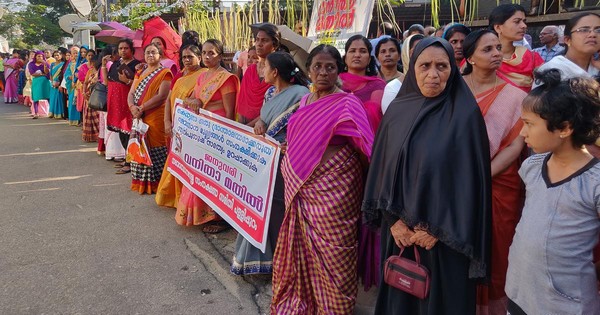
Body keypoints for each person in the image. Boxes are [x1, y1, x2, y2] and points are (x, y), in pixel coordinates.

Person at [362, 37, 492, 315]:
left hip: (446, 238)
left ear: (453, 69)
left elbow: (470, 185)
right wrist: (394, 222)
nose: (433, 74)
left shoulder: (465, 115)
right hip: (400, 234)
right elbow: (381, 171)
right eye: (425, 66)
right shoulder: (397, 111)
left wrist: (436, 230)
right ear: (412, 69)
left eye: (442, 66)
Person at [270, 44, 374, 314]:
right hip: (301, 191)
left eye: (330, 67)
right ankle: (306, 303)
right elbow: (299, 138)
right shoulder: (305, 101)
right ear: (309, 69)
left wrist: (354, 179)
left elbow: (366, 149)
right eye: (317, 66)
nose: (323, 72)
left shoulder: (348, 103)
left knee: (336, 251)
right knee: (300, 248)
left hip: (337, 193)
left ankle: (335, 308)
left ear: (338, 70)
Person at [505, 70, 600, 315]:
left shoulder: (594, 183)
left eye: (529, 124)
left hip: (565, 304)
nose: (522, 133)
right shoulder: (533, 167)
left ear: (565, 128)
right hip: (519, 292)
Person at [461, 30, 527, 315]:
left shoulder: (516, 96)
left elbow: (515, 145)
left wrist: (480, 177)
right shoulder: (454, 90)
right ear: (470, 57)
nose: (497, 53)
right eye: (487, 49)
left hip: (498, 185)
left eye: (498, 47)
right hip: (455, 184)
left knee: (498, 250)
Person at [231, 51, 309, 275]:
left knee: (278, 210)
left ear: (275, 72)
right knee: (260, 207)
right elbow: (264, 120)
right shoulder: (269, 94)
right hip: (265, 160)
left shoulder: (301, 94)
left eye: (264, 66)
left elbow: (302, 129)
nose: (260, 70)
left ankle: (282, 259)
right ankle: (264, 260)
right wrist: (258, 125)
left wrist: (289, 147)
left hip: (286, 161)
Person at [175, 39, 238, 232]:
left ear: (220, 55)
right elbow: (195, 99)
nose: (207, 57)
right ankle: (200, 214)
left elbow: (229, 112)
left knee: (215, 174)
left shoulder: (226, 78)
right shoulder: (202, 78)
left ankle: (219, 218)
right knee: (200, 171)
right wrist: (192, 102)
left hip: (218, 131)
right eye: (204, 53)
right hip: (201, 129)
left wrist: (225, 136)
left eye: (212, 53)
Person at [155, 44, 204, 208]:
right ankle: (176, 199)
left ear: (199, 57)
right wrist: (167, 122)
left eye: (191, 56)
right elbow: (169, 101)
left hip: (193, 131)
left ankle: (186, 202)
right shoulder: (181, 78)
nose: (187, 60)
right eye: (184, 57)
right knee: (176, 160)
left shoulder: (204, 76)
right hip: (176, 128)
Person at [127, 43, 172, 194]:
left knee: (155, 146)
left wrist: (142, 108)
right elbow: (132, 92)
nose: (150, 55)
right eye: (147, 53)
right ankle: (141, 182)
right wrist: (132, 107)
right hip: (138, 115)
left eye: (154, 52)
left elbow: (161, 96)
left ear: (160, 55)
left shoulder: (165, 73)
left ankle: (157, 183)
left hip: (155, 116)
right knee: (139, 146)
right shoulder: (140, 72)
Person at [533, 12, 600, 88]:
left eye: (598, 30)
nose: (593, 34)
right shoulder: (552, 70)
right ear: (567, 39)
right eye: (584, 30)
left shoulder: (596, 67)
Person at [489, 4, 544, 92]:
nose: (524, 26)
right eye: (517, 21)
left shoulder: (532, 58)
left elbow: (545, 90)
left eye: (524, 21)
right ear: (498, 27)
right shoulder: (480, 57)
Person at [107, 39, 140, 175]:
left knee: (129, 131)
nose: (123, 51)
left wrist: (128, 81)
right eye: (120, 48)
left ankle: (131, 162)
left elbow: (140, 83)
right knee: (121, 131)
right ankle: (127, 158)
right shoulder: (116, 63)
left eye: (126, 48)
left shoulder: (138, 65)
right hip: (116, 103)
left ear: (131, 50)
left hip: (129, 102)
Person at [236, 23, 280, 124]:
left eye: (264, 40)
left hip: (266, 126)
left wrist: (249, 127)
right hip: (245, 126)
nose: (259, 44)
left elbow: (275, 107)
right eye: (257, 40)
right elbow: (242, 101)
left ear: (275, 45)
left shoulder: (278, 72)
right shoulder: (250, 70)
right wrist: (242, 127)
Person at [341, 34, 386, 132]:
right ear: (345, 58)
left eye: (363, 51)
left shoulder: (377, 85)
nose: (357, 55)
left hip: (367, 140)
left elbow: (374, 114)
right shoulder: (335, 83)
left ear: (369, 59)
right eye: (352, 51)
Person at [380, 34, 424, 114]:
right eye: (416, 50)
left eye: (424, 50)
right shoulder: (393, 88)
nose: (387, 54)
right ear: (406, 53)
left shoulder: (435, 82)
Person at [81, 51, 100, 143]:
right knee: (89, 116)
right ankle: (91, 136)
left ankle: (99, 135)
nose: (92, 65)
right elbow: (85, 83)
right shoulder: (90, 71)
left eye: (94, 63)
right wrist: (84, 92)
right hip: (88, 96)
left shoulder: (101, 72)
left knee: (97, 117)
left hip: (97, 97)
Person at [29, 51, 51, 119]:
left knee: (48, 97)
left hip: (45, 82)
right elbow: (32, 73)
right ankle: (36, 113)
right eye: (38, 56)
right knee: (36, 97)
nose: (40, 57)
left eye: (41, 56)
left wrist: (45, 64)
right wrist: (42, 74)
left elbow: (47, 72)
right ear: (35, 57)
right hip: (36, 82)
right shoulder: (31, 64)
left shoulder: (45, 63)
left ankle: (51, 112)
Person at [65, 46, 82, 126]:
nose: (75, 54)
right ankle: (73, 120)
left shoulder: (82, 62)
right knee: (73, 102)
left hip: (80, 86)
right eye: (74, 53)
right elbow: (66, 74)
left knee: (80, 102)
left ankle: (80, 120)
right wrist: (70, 77)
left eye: (77, 53)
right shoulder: (71, 64)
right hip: (72, 86)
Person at [74, 46, 91, 123]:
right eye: (81, 52)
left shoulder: (92, 64)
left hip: (88, 86)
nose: (83, 54)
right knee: (81, 103)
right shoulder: (80, 62)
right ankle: (82, 120)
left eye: (85, 52)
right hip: (80, 85)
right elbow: (75, 73)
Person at [48, 49, 66, 119]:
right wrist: (52, 82)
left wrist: (59, 83)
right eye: (55, 55)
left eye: (58, 55)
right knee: (52, 98)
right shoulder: (52, 64)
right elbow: (51, 74)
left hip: (59, 83)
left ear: (61, 56)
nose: (56, 57)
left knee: (58, 98)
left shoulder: (63, 64)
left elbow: (63, 75)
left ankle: (58, 113)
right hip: (53, 83)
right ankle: (52, 113)